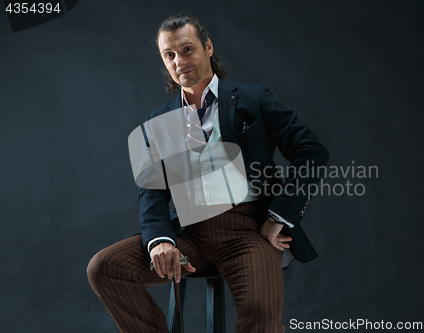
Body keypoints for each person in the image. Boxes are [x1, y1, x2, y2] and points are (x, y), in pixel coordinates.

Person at [87, 14, 329, 333]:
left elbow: (312, 151)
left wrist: (279, 217)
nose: (179, 61)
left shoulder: (253, 100)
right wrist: (160, 241)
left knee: (261, 318)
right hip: (191, 236)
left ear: (208, 47)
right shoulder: (157, 122)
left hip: (249, 232)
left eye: (187, 49)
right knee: (104, 267)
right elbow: (151, 192)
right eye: (169, 55)